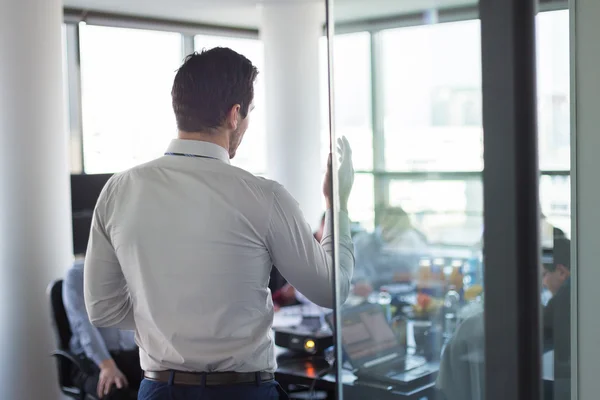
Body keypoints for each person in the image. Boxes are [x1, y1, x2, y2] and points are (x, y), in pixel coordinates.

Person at [83, 47, 355, 400]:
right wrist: (338, 203)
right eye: (249, 113)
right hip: (242, 393)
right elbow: (332, 289)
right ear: (234, 114)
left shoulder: (119, 189)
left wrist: (168, 318)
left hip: (158, 390)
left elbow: (103, 309)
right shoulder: (263, 196)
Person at [63, 260, 141, 399]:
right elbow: (83, 326)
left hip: (130, 355)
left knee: (166, 386)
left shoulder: (132, 271)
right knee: (116, 394)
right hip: (92, 362)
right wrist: (106, 365)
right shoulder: (78, 274)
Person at [353, 206, 428, 287]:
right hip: (371, 293)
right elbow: (356, 274)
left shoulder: (408, 243)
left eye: (400, 232)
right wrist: (396, 276)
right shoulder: (362, 243)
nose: (396, 237)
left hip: (401, 292)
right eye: (392, 229)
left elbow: (416, 270)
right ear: (383, 224)